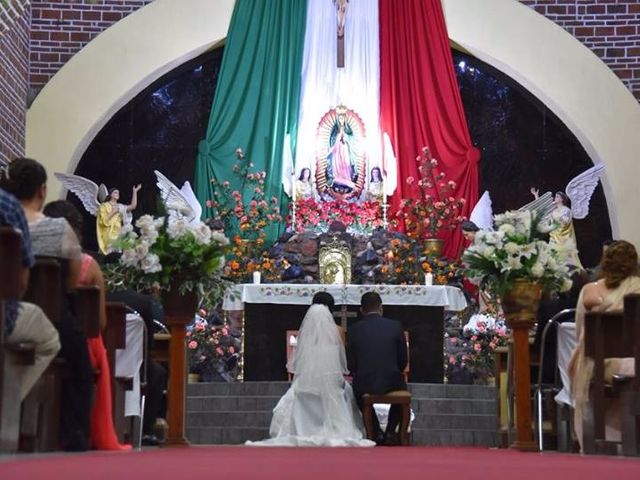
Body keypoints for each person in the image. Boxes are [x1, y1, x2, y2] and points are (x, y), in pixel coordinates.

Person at [2, 157, 94, 451]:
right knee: (80, 362)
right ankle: (71, 433)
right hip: (42, 312)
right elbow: (70, 281)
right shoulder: (57, 229)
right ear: (42, 190)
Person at [43, 200, 131, 450]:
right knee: (82, 357)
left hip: (36, 326)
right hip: (74, 335)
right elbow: (99, 323)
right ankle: (76, 433)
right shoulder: (85, 265)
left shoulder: (30, 252)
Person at [248, 292, 373, 446]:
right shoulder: (338, 331)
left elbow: (300, 360)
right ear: (330, 309)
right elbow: (343, 359)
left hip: (307, 383)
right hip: (331, 382)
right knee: (346, 390)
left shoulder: (305, 333)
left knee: (295, 392)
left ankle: (302, 427)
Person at [568, 240, 640, 451]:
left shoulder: (590, 291)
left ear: (605, 263)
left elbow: (582, 332)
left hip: (599, 365)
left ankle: (597, 441)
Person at [0, 187, 60, 401]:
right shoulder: (7, 206)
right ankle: (7, 406)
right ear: (42, 191)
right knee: (50, 340)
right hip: (2, 315)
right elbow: (21, 279)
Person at [347, 292, 408, 445]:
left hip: (364, 380)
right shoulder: (395, 326)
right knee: (401, 388)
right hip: (391, 379)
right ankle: (390, 431)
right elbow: (403, 360)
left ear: (361, 310)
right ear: (381, 308)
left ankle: (375, 431)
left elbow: (351, 364)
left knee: (358, 392)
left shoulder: (354, 330)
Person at [531, 188, 582, 268]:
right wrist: (536, 196)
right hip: (554, 238)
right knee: (552, 257)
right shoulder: (554, 211)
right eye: (556, 196)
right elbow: (542, 211)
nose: (555, 198)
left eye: (557, 197)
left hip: (563, 238)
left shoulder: (566, 210)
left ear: (562, 199)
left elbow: (565, 222)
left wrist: (556, 218)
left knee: (564, 259)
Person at [97, 184, 141, 255]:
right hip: (108, 232)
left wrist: (135, 191)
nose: (118, 194)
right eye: (115, 192)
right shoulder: (104, 206)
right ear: (111, 194)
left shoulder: (120, 206)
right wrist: (113, 212)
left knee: (116, 253)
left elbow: (133, 206)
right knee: (106, 252)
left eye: (118, 193)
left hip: (117, 233)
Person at [327, 111, 356, 192]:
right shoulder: (335, 129)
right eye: (340, 118)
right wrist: (338, 138)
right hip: (336, 149)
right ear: (337, 119)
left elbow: (351, 138)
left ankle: (347, 179)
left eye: (343, 118)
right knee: (336, 165)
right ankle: (337, 179)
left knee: (346, 164)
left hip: (345, 148)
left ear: (345, 118)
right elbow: (331, 139)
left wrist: (346, 137)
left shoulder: (348, 128)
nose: (341, 119)